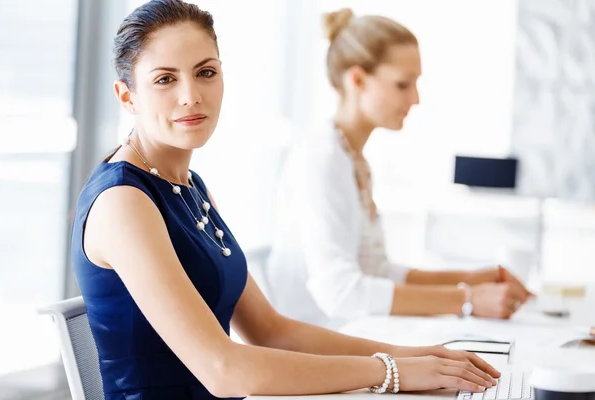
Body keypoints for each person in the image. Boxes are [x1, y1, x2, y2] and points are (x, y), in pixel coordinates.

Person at [71, 1, 500, 398]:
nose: (191, 95)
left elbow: (272, 331)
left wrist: (416, 356)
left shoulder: (190, 187)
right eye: (165, 79)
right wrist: (389, 371)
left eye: (206, 72)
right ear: (127, 96)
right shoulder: (123, 201)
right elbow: (223, 370)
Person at [266, 8, 533, 330]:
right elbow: (340, 292)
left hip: (351, 333)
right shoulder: (322, 159)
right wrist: (467, 300)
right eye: (403, 84)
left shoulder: (352, 158)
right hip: (318, 345)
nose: (416, 98)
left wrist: (468, 280)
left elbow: (375, 271)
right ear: (357, 80)